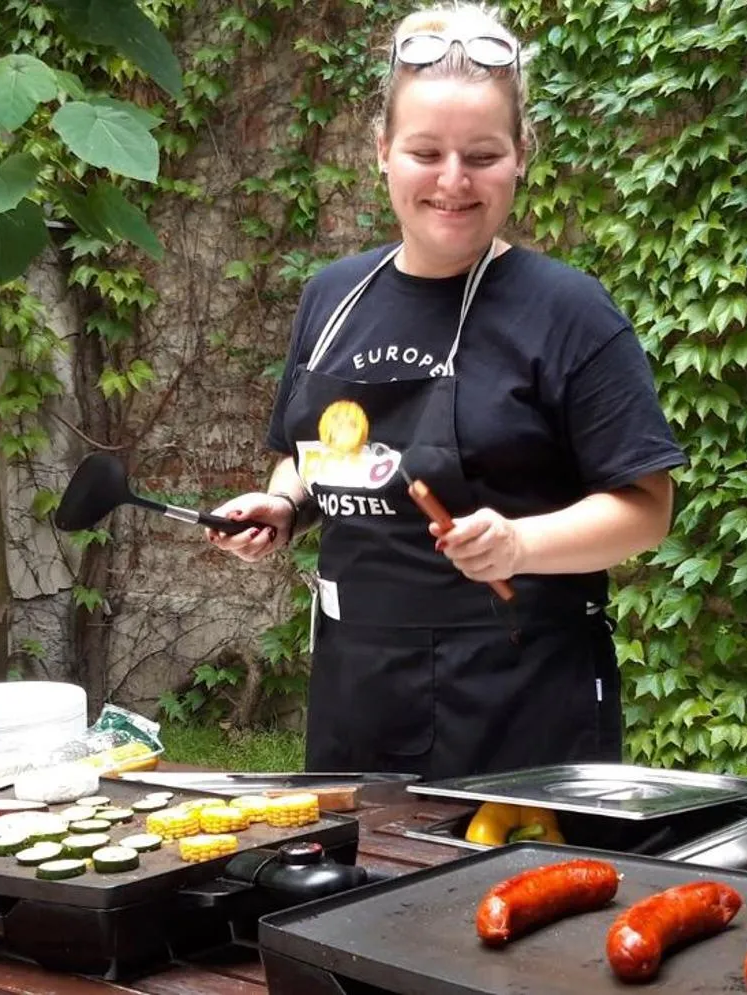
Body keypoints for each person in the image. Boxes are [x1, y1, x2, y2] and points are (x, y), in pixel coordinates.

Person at [207, 1, 686, 780]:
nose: (453, 181)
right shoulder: (332, 298)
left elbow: (646, 508)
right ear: (382, 151)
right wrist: (286, 504)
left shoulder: (567, 310)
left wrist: (520, 543)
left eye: (482, 155)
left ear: (521, 153)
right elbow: (314, 450)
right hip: (356, 691)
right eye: (425, 151)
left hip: (518, 700)